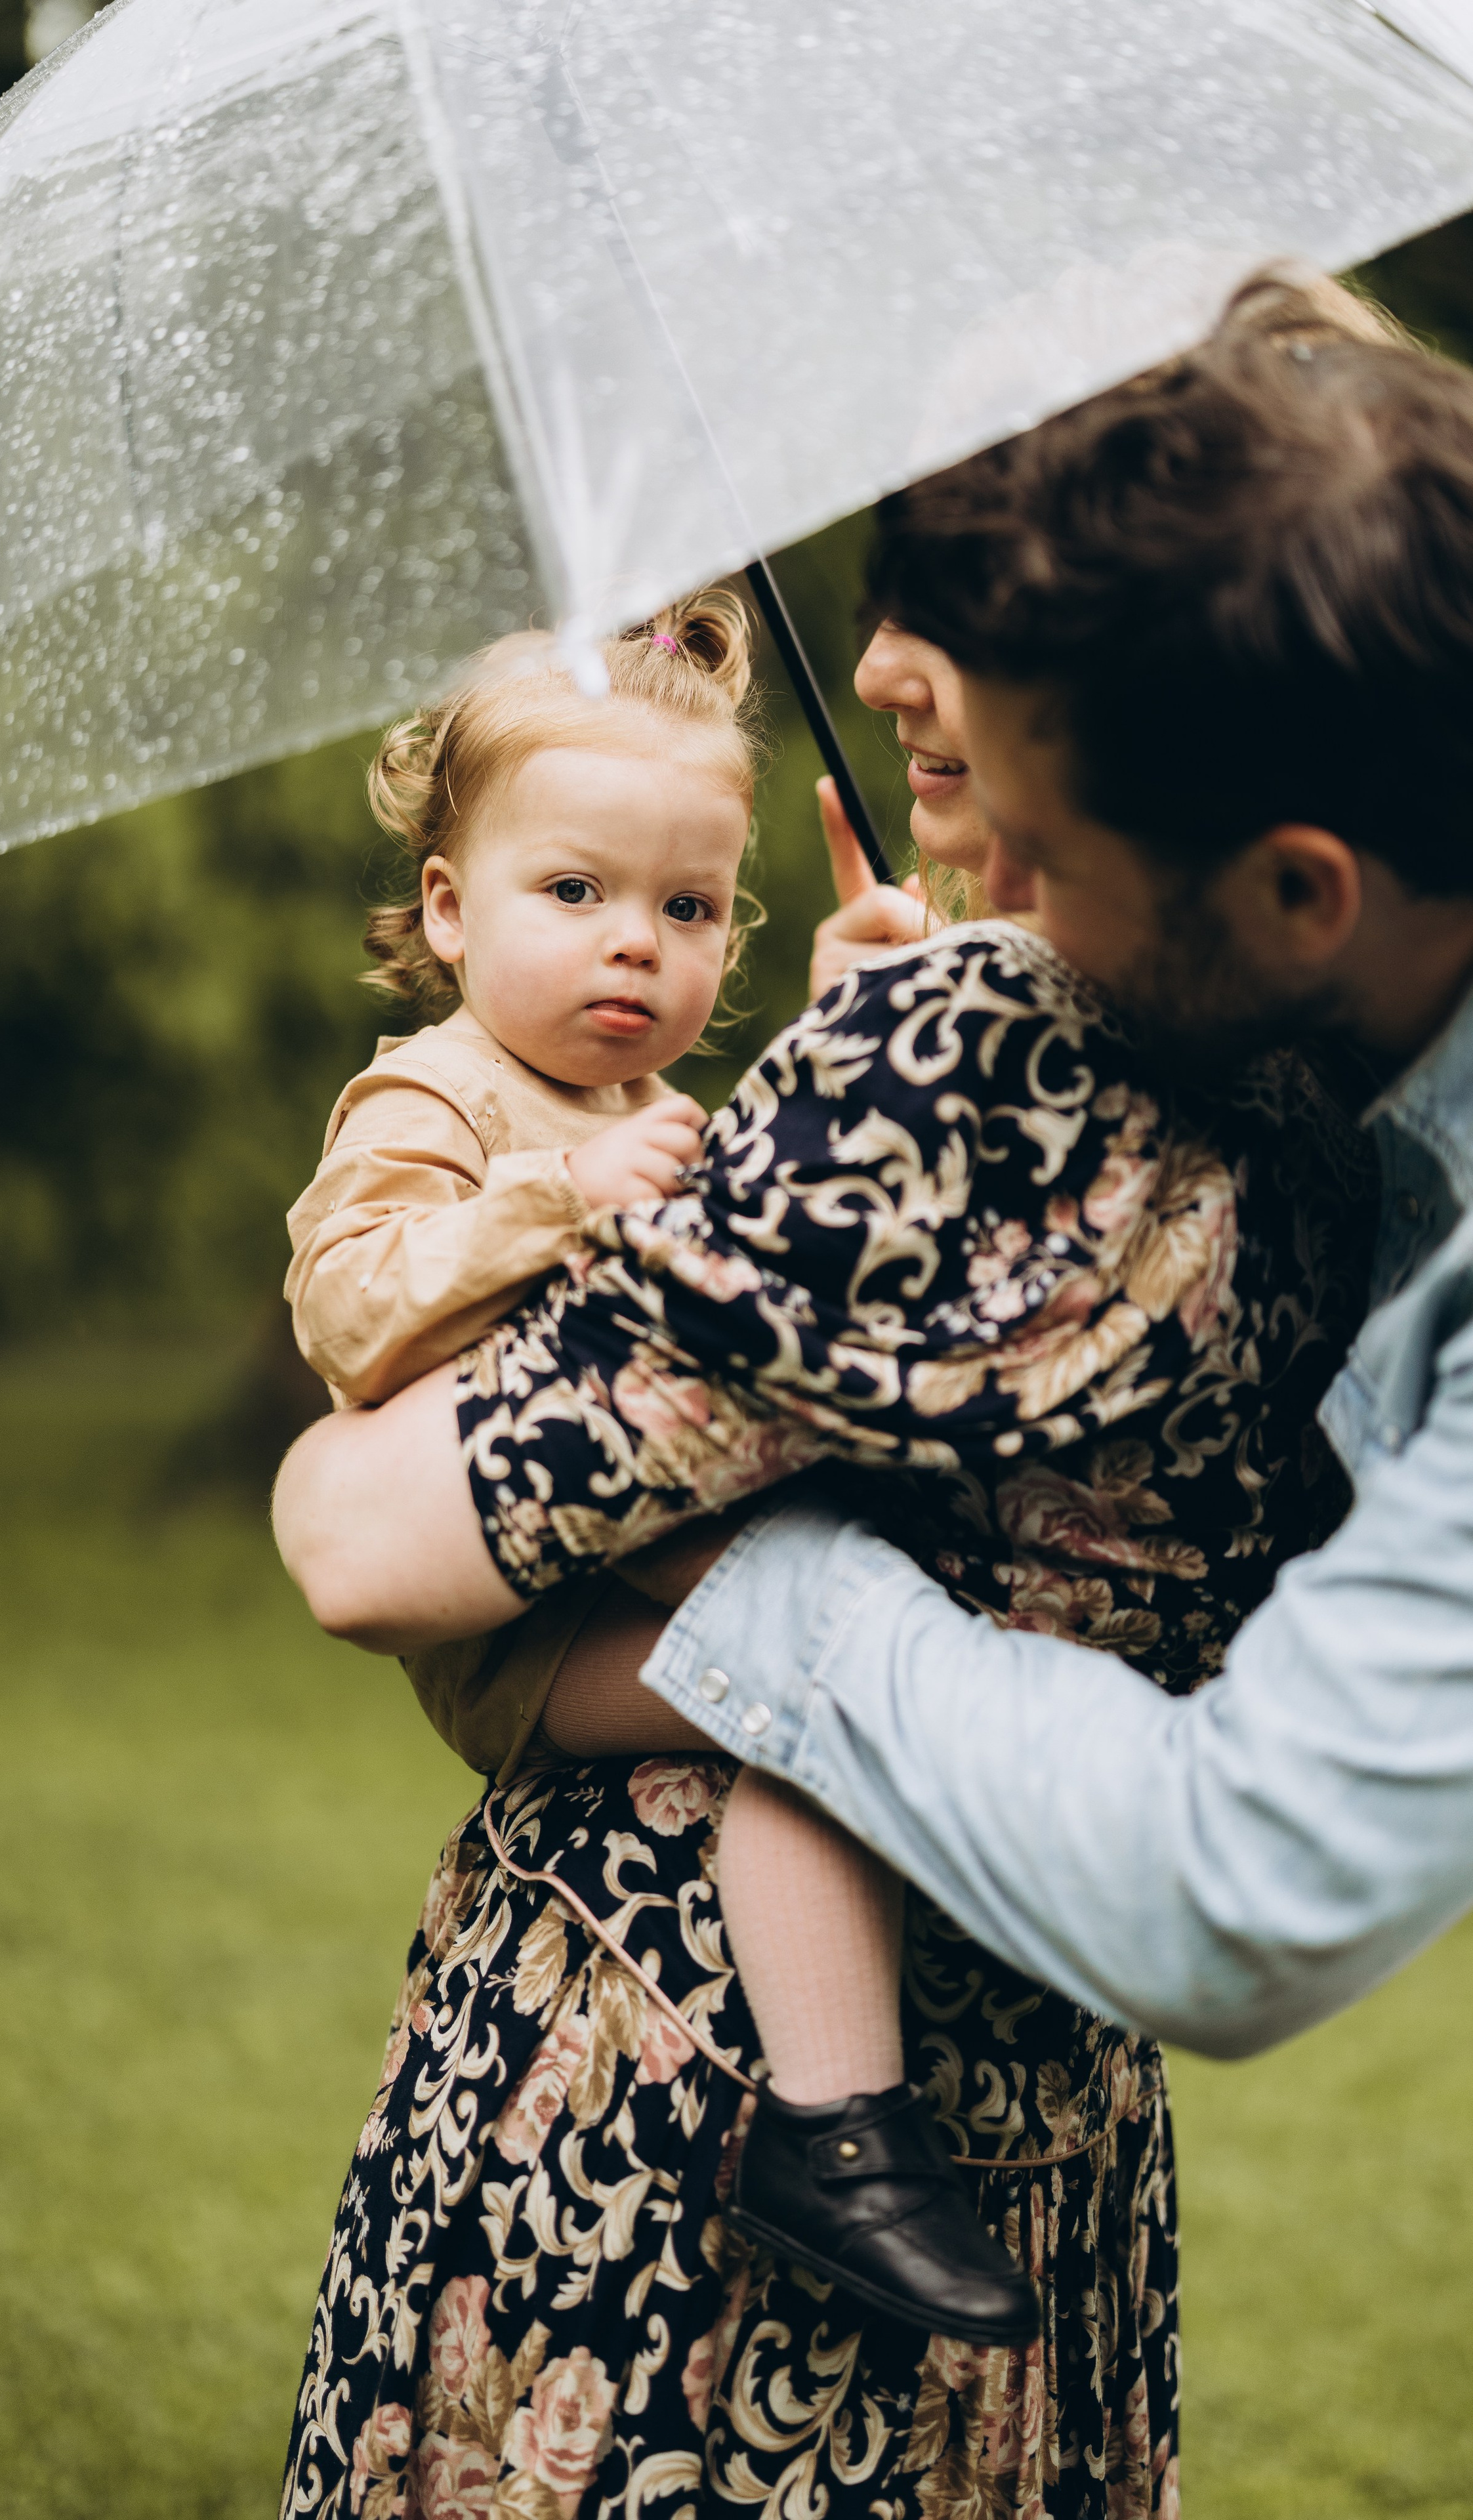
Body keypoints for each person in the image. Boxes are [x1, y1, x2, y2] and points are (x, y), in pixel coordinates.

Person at [273, 274, 1393, 2519]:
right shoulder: (1337, 1102)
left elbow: (357, 1534)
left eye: (961, 601)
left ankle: (834, 2117)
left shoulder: (968, 1083)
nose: (882, 670)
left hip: (649, 2111)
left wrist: (893, 1047)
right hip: (1048, 2106)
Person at [282, 589, 1036, 2351]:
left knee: (846, 1659)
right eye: (577, 894)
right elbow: (350, 1308)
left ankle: (861, 2092)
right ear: (453, 911)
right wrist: (547, 1201)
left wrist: (860, 1025)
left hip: (641, 1544)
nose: (639, 948)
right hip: (529, 1624)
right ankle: (840, 2130)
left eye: (689, 907)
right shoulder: (437, 1099)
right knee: (815, 1689)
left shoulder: (654, 1116)